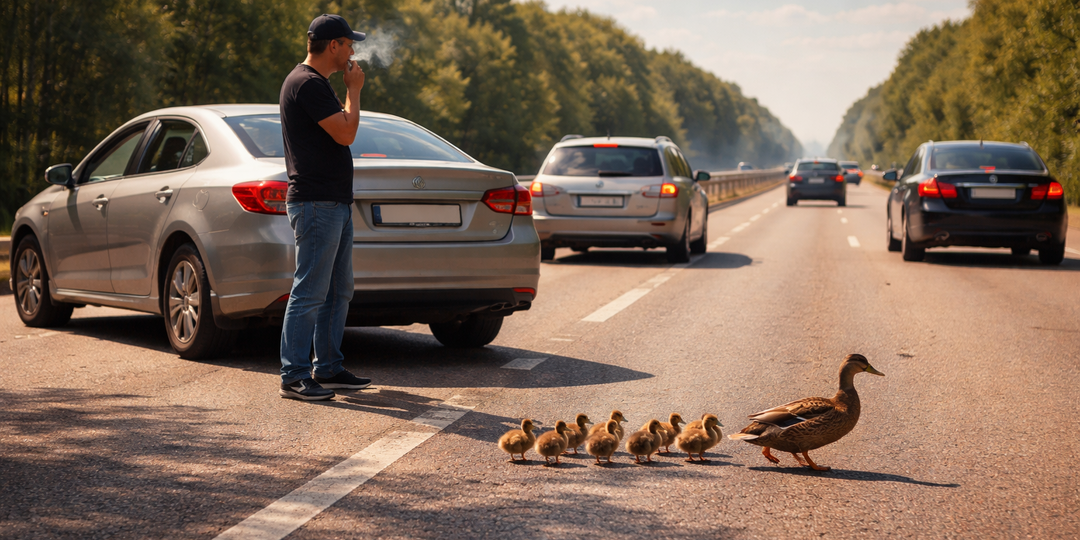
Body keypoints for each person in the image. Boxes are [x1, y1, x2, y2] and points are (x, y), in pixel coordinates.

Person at [278, 14, 371, 401]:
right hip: (316, 204)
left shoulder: (316, 84)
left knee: (338, 289)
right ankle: (294, 375)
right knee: (310, 291)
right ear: (333, 45)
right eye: (349, 44)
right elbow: (347, 132)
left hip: (333, 202)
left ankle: (328, 366)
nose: (352, 51)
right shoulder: (306, 83)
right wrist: (355, 89)